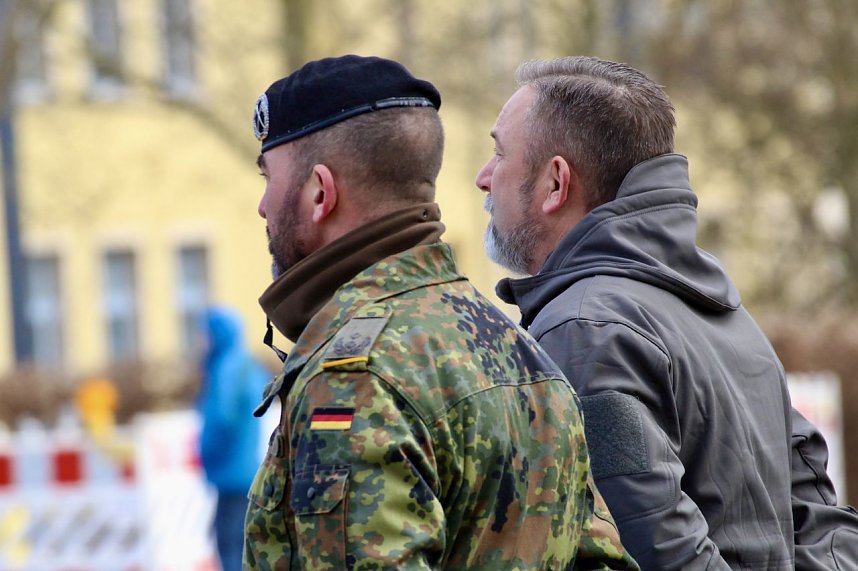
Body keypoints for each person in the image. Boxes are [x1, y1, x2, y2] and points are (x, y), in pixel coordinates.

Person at [243, 55, 638, 570]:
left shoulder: (355, 378)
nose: (263, 206)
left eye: (268, 177)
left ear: (321, 192)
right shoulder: (518, 350)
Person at [475, 55, 858, 570]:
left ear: (555, 184)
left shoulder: (587, 331)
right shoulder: (721, 310)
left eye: (499, 154)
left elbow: (659, 554)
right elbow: (822, 522)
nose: (483, 177)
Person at [197, 306, 269, 571]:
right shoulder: (246, 364)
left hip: (230, 470)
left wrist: (207, 454)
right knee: (240, 543)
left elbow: (222, 419)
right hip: (246, 467)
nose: (200, 340)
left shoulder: (224, 369)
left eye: (204, 333)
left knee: (229, 546)